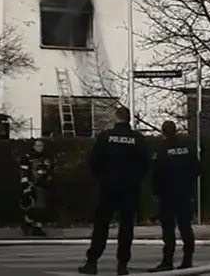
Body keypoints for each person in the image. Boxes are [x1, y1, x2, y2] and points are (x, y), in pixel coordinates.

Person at [78, 106, 150, 276]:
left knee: (101, 224)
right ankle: (122, 264)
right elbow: (145, 165)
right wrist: (133, 179)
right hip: (129, 189)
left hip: (108, 187)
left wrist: (104, 178)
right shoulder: (137, 138)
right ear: (129, 119)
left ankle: (92, 262)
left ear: (116, 118)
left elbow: (94, 162)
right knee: (126, 227)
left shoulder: (105, 137)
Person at [148, 120, 200, 271]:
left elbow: (155, 175)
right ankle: (187, 260)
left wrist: (156, 193)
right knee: (186, 228)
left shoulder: (161, 151)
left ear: (163, 132)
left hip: (167, 196)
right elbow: (197, 169)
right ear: (175, 131)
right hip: (184, 194)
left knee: (169, 230)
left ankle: (167, 261)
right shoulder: (187, 149)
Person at [19, 138, 54, 236]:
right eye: (38, 146)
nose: (40, 148)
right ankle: (31, 224)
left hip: (43, 185)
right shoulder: (27, 158)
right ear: (34, 147)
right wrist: (25, 186)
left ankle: (36, 226)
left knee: (41, 207)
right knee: (32, 206)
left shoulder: (46, 158)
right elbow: (24, 173)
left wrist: (49, 180)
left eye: (42, 146)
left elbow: (49, 171)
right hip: (32, 185)